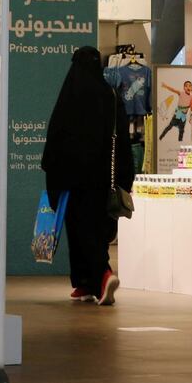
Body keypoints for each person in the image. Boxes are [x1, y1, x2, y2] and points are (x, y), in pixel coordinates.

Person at [42, 46, 134, 305]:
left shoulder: (69, 97)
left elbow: (55, 140)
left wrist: (53, 179)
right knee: (97, 228)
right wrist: (126, 178)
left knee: (80, 230)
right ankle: (85, 283)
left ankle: (103, 276)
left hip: (73, 179)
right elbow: (123, 141)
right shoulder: (111, 96)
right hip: (104, 180)